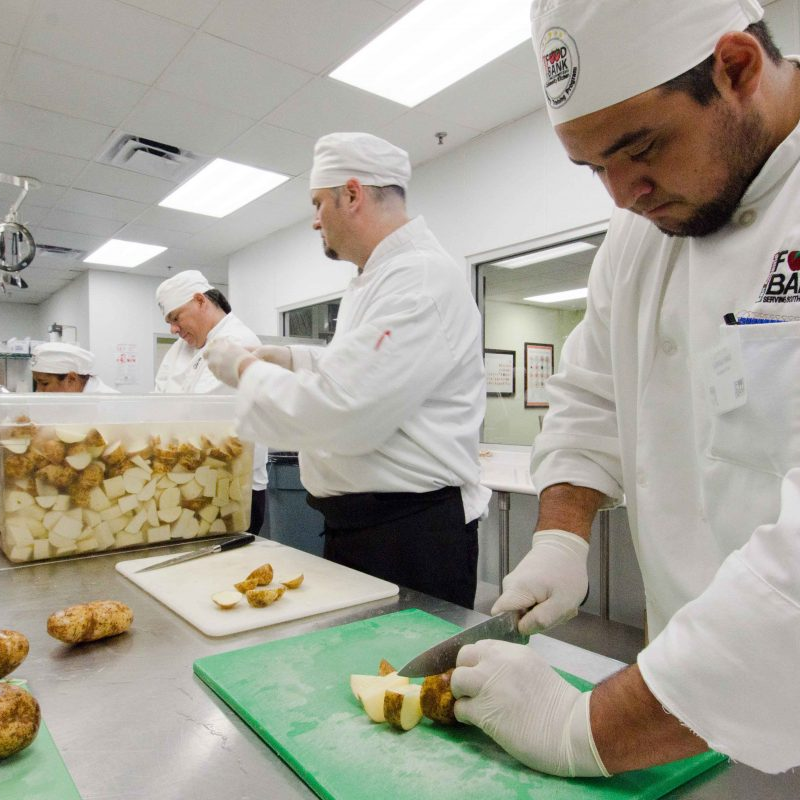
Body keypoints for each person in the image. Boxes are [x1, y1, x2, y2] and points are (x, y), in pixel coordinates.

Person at [449, 0, 800, 779]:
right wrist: (560, 539)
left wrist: (583, 729)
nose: (621, 194)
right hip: (680, 715)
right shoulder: (639, 236)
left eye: (640, 148)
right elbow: (589, 400)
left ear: (736, 67)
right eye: (593, 168)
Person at [204, 132, 491, 608]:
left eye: (318, 204)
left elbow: (346, 410)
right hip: (365, 527)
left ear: (353, 195)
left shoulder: (417, 279)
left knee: (402, 679)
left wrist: (243, 369)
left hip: (409, 535)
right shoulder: (374, 279)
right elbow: (366, 372)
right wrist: (294, 359)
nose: (315, 221)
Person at [154, 269, 268, 536]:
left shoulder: (238, 341)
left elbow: (200, 416)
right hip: (187, 479)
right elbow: (157, 401)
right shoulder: (179, 348)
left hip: (231, 485)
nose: (173, 329)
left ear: (200, 301)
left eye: (176, 317)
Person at [31, 342, 118, 393]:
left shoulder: (110, 404)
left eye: (44, 383)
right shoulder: (63, 400)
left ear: (71, 379)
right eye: (36, 383)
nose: (38, 391)